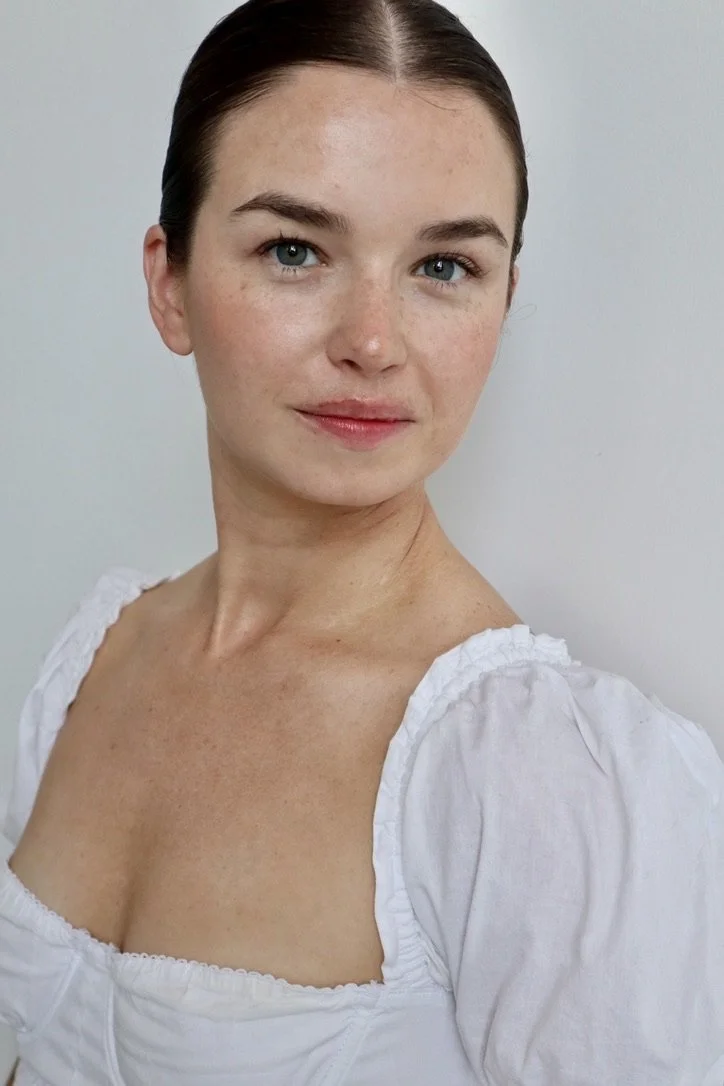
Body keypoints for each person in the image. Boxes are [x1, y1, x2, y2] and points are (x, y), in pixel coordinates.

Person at [2, 0, 723, 1082]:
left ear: (504, 298)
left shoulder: (542, 780)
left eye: (443, 268)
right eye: (295, 249)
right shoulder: (93, 658)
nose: (373, 342)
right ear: (170, 283)